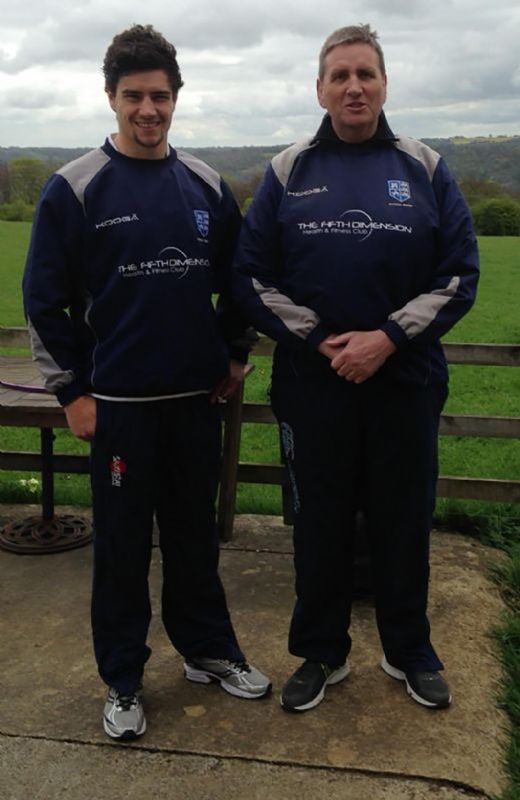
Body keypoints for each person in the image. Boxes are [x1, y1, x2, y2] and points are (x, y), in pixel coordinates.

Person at [23, 24, 270, 741]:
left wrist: (233, 352)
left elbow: (240, 282)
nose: (148, 109)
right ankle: (123, 679)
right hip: (119, 410)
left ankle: (208, 650)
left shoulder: (206, 185)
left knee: (195, 539)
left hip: (196, 402)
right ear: (111, 98)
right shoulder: (74, 189)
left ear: (176, 97)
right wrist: (72, 391)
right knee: (123, 551)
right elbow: (44, 300)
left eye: (160, 96)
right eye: (134, 96)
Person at [233, 24, 479, 713]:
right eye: (339, 75)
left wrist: (387, 338)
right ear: (320, 88)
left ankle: (409, 651)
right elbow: (250, 278)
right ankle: (321, 651)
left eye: (365, 74)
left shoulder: (425, 167)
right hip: (315, 388)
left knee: (404, 519)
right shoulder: (287, 172)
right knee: (320, 524)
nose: (353, 86)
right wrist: (325, 342)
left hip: (404, 384)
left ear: (383, 85)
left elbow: (460, 275)